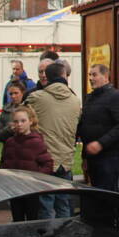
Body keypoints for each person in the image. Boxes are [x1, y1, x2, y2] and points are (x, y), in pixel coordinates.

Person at [25, 60, 81, 219]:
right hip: (66, 160)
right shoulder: (75, 100)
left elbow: (20, 117)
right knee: (63, 204)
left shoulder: (36, 97)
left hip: (46, 159)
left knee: (45, 205)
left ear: (46, 77)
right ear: (64, 76)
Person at [78, 64, 119, 191]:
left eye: (94, 75)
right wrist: (84, 156)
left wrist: (101, 144)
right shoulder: (89, 98)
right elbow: (85, 126)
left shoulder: (116, 97)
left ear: (106, 77)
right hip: (92, 158)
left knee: (107, 196)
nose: (90, 78)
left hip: (110, 157)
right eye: (89, 74)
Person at [0, 106, 53, 221]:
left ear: (31, 121)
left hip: (31, 189)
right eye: (16, 121)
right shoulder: (10, 142)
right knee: (17, 219)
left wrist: (36, 179)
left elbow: (48, 164)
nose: (19, 124)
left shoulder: (37, 142)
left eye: (23, 121)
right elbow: (4, 162)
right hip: (14, 189)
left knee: (32, 219)